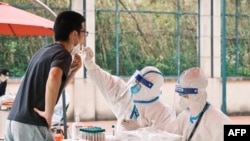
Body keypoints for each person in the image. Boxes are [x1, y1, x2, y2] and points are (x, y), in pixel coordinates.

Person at [5, 11, 86, 141]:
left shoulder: (43, 51)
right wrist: (49, 114)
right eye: (84, 33)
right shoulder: (63, 54)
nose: (84, 38)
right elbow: (54, 76)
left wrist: (73, 72)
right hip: (32, 124)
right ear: (74, 35)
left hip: (13, 122)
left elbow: (53, 82)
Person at [83, 47, 176, 132]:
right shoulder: (126, 95)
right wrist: (90, 64)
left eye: (140, 83)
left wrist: (139, 130)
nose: (136, 84)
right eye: (137, 80)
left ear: (151, 88)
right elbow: (107, 82)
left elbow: (163, 137)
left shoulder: (164, 112)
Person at [166, 67, 233, 141]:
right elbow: (168, 134)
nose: (181, 98)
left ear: (195, 95)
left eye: (183, 95)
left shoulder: (219, 122)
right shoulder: (184, 116)